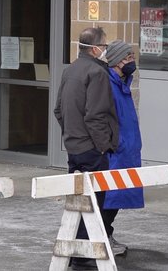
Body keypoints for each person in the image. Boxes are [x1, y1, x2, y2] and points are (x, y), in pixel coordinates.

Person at [54, 27, 119, 270]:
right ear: (94, 49)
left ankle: (73, 249)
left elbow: (59, 110)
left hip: (74, 146)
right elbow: (95, 115)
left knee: (76, 200)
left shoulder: (70, 70)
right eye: (105, 46)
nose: (106, 51)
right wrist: (103, 146)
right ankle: (82, 252)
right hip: (92, 149)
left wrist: (71, 134)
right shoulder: (97, 73)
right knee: (93, 202)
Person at [100, 40, 145, 256]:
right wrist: (115, 144)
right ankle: (103, 236)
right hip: (117, 151)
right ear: (117, 61)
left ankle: (106, 233)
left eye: (132, 56)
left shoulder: (123, 83)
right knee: (111, 198)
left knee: (117, 198)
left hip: (128, 150)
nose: (131, 61)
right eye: (128, 57)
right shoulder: (108, 85)